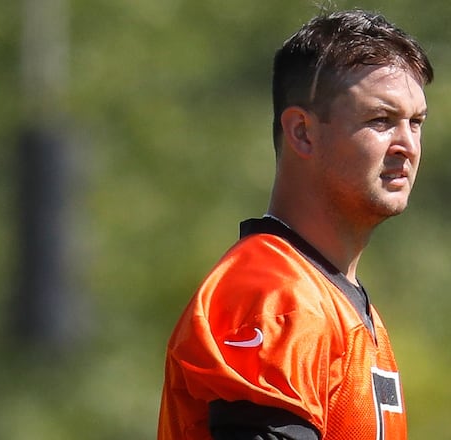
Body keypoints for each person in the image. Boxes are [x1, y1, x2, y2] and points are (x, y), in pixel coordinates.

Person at [158, 8, 433, 440]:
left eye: (415, 123)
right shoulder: (276, 295)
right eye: (380, 120)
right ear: (303, 132)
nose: (407, 146)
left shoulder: (336, 300)